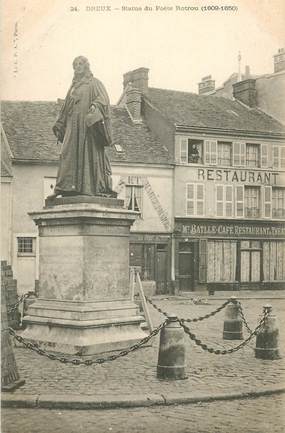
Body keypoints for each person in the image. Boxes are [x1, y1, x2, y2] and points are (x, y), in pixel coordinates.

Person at [50, 56, 116, 198]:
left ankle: (86, 188)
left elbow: (104, 98)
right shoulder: (73, 86)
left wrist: (95, 105)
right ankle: (65, 188)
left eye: (80, 64)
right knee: (67, 153)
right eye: (75, 65)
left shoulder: (94, 83)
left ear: (86, 66)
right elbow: (66, 107)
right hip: (72, 126)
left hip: (87, 127)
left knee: (87, 154)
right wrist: (59, 123)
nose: (78, 67)